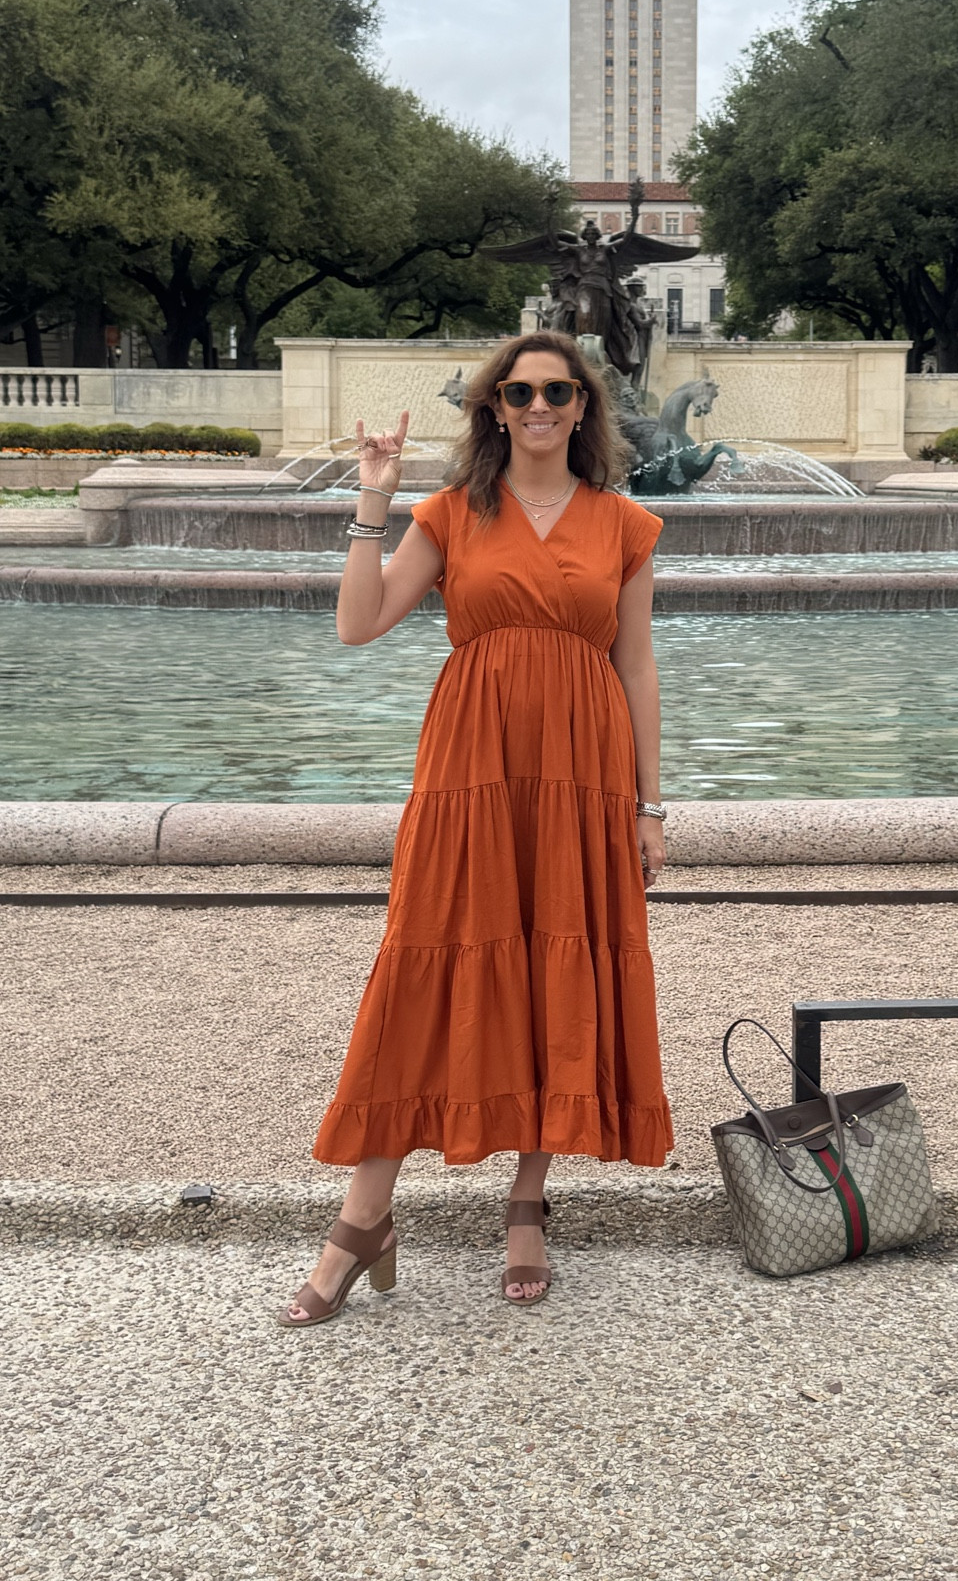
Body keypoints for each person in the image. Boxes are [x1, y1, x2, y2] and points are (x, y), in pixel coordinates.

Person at [278, 330, 673, 1323]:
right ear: (493, 407)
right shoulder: (451, 513)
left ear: (584, 407)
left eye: (558, 389)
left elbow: (636, 670)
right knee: (430, 962)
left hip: (583, 775)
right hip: (472, 769)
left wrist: (650, 802)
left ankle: (528, 1200)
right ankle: (363, 1214)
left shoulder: (625, 523)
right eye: (518, 390)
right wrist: (374, 492)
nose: (538, 404)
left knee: (555, 965)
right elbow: (359, 623)